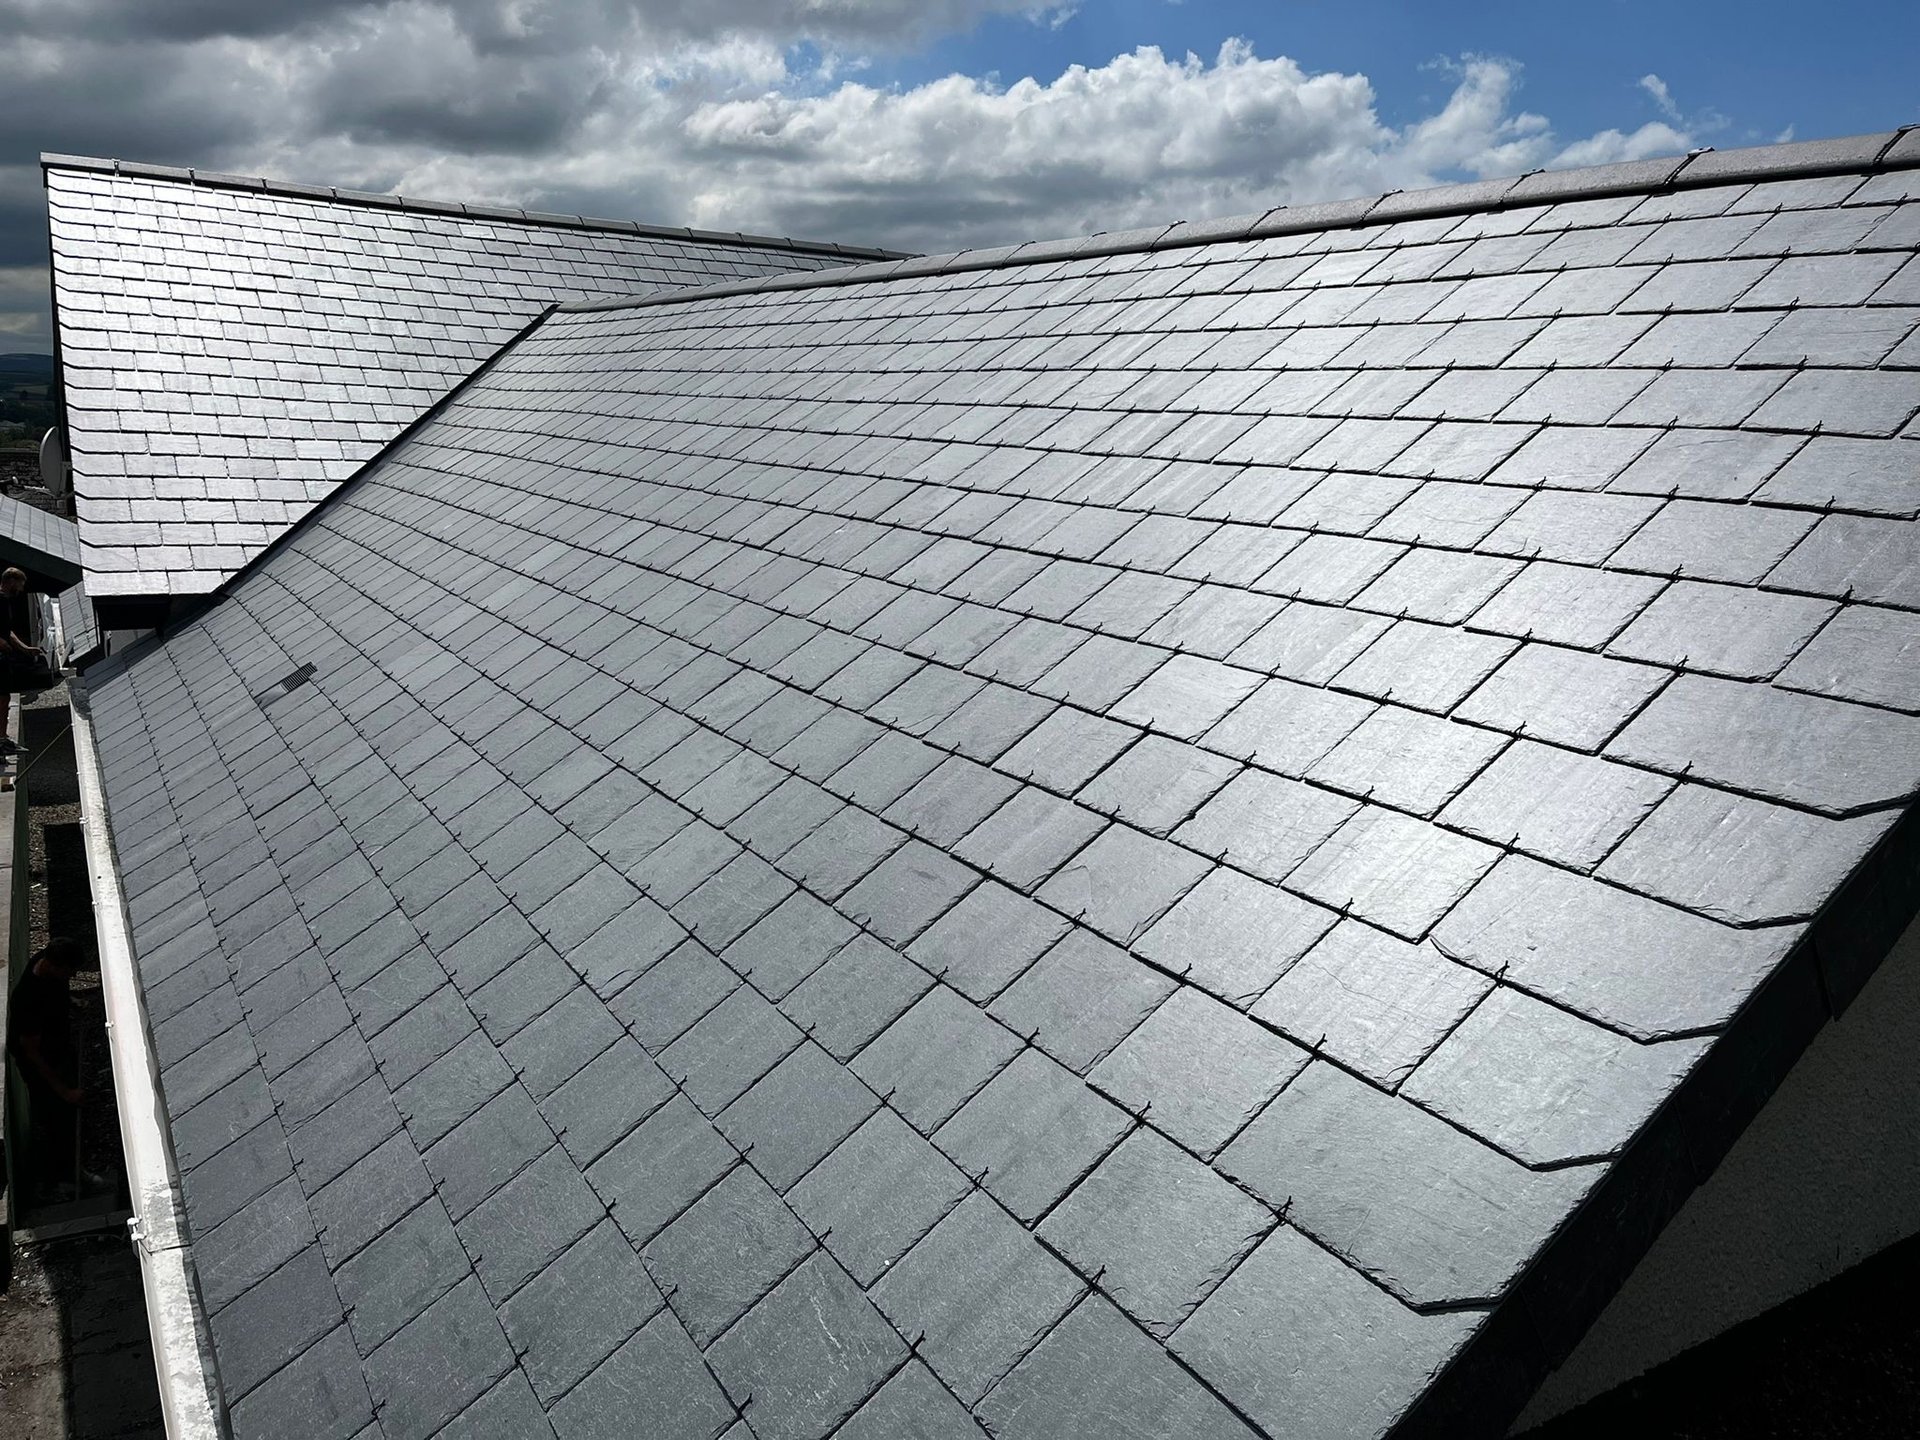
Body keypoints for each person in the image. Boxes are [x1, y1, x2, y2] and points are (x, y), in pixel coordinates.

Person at [8, 937, 86, 1201]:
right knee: (56, 1122)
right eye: (69, 972)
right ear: (54, 966)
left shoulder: (48, 962)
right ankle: (56, 1183)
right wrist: (63, 1090)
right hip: (40, 1065)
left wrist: (72, 1002)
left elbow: (58, 993)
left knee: (68, 1117)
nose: (72, 976)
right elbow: (31, 1051)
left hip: (57, 1049)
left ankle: (74, 1172)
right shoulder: (29, 998)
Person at [0, 566, 37, 754]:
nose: (21, 590)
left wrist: (24, 648)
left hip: (4, 658)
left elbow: (7, 631)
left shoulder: (5, 602)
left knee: (4, 698)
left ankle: (3, 738)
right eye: (20, 585)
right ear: (11, 581)